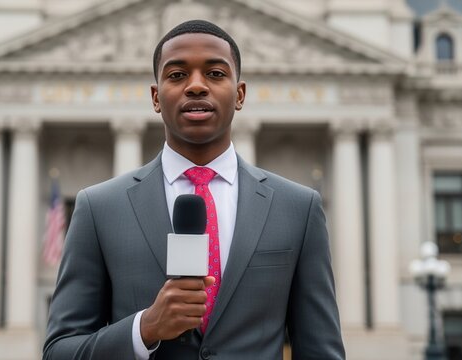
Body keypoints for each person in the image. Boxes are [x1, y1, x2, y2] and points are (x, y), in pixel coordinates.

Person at [43, 20, 345, 360]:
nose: (196, 86)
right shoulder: (99, 208)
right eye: (176, 75)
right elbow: (59, 352)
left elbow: (321, 350)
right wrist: (145, 329)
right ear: (156, 98)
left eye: (215, 74)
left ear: (240, 94)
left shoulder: (297, 208)